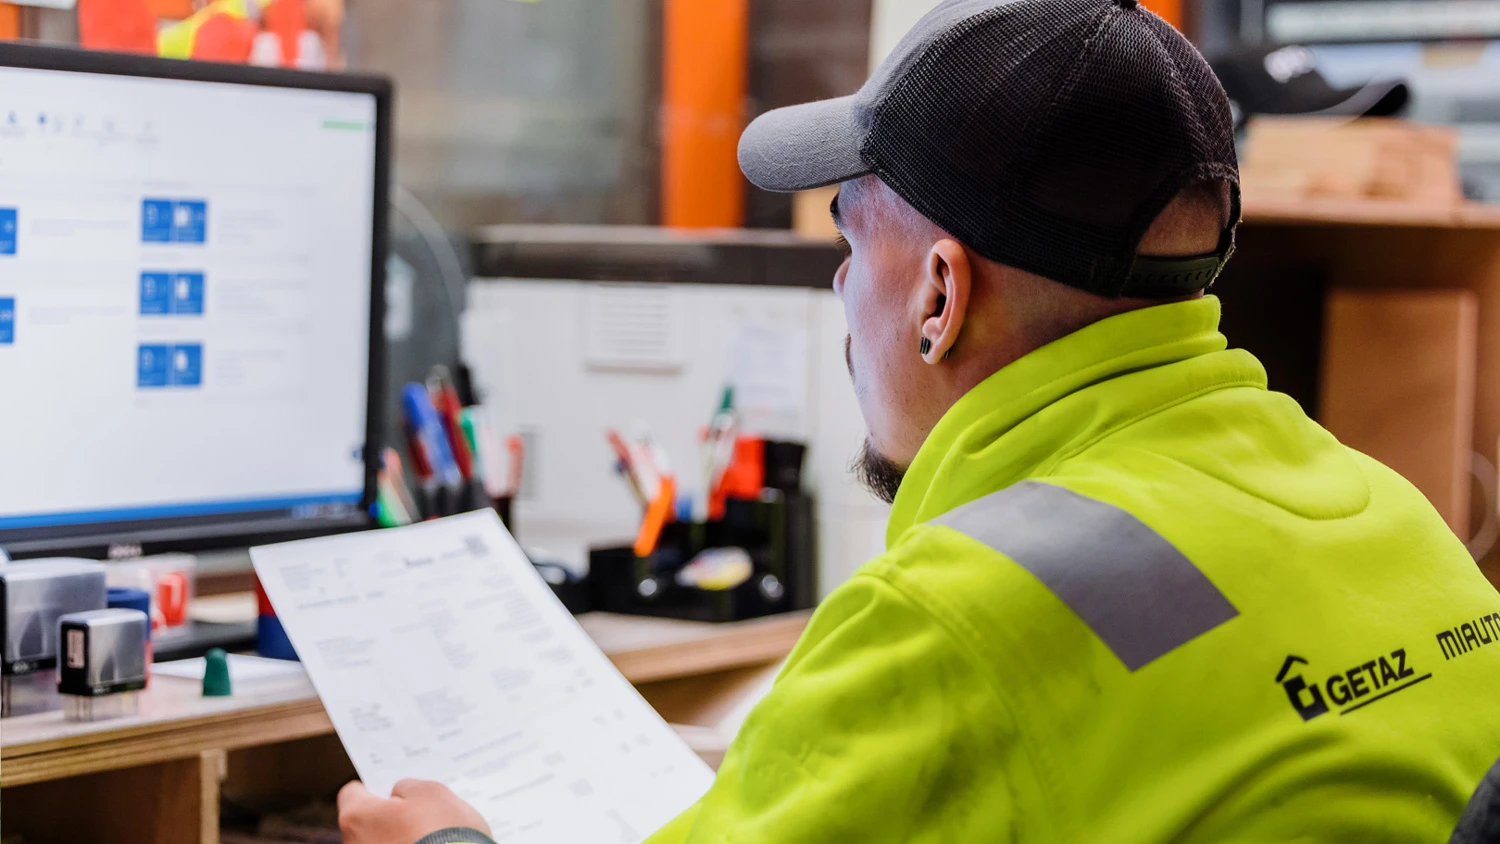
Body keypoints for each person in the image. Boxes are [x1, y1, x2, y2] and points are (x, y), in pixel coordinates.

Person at [339, 0, 1500, 841]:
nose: (842, 290)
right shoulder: (1387, 511)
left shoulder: (960, 615)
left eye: (849, 237)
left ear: (941, 295)